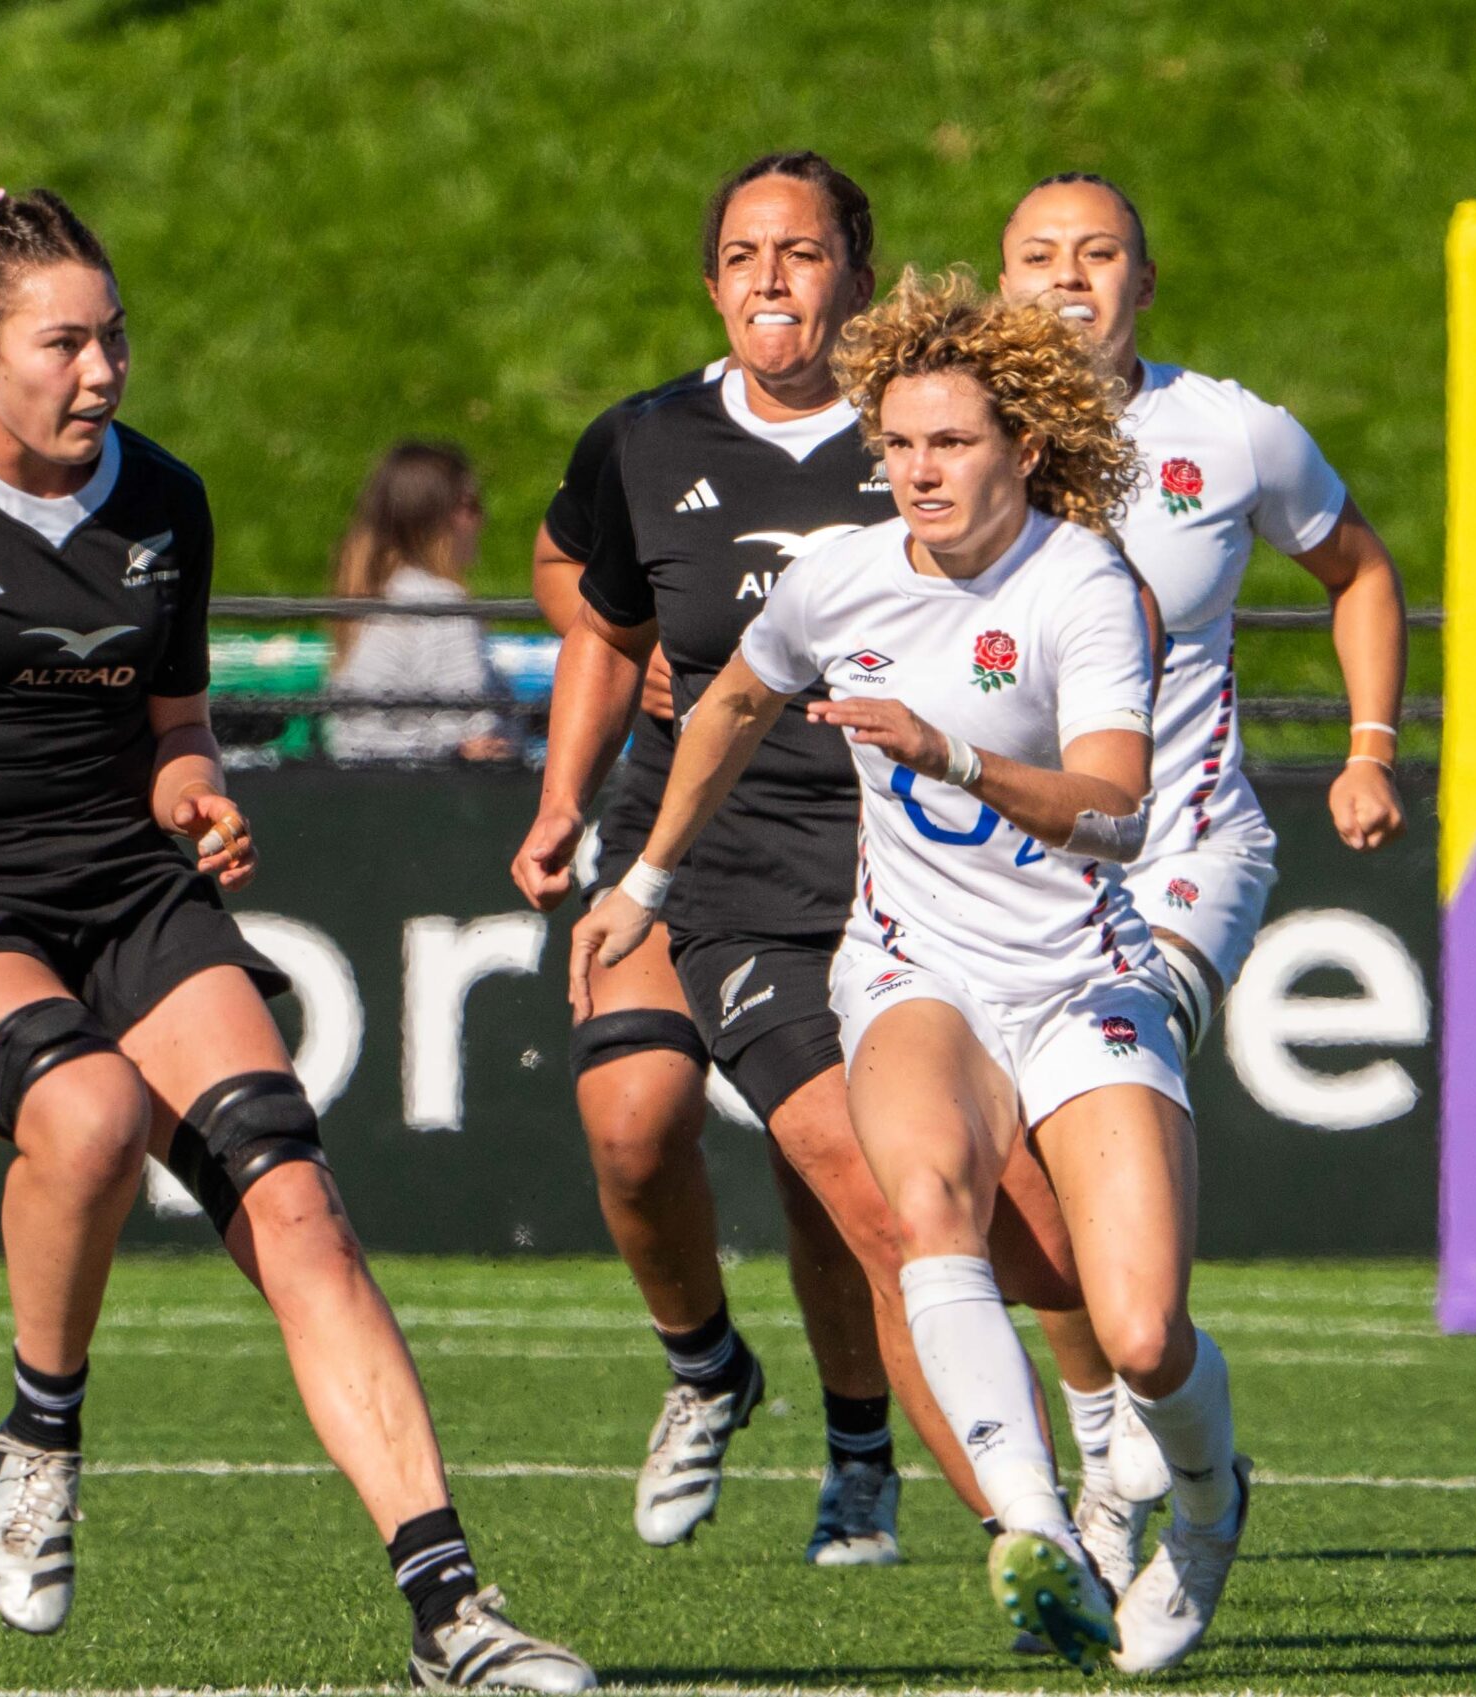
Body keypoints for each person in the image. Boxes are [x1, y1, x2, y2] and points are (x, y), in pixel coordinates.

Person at [0, 187, 592, 1693]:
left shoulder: (163, 498)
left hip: (127, 889)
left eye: (114, 341)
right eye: (64, 345)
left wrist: (200, 794)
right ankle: (39, 1438)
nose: (102, 373)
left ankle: (452, 1613)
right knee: (87, 1112)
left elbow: (176, 725)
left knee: (296, 1199)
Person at [575, 268, 1251, 1675]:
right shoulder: (842, 569)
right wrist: (641, 880)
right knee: (928, 1207)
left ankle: (1205, 1496)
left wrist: (951, 754)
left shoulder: (1083, 582)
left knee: (1136, 1327)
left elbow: (1118, 811)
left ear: (1027, 449)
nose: (917, 469)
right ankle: (1034, 1532)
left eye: (950, 443)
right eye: (898, 441)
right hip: (912, 969)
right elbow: (737, 701)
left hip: (1081, 978)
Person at [513, 153, 1082, 1565]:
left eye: (805, 252)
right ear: (711, 283)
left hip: (895, 860)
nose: (773, 279)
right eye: (746, 254)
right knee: (635, 1122)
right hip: (690, 833)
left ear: (860, 280)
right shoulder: (641, 441)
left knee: (895, 1189)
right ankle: (707, 1367)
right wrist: (563, 797)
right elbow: (587, 598)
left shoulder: (927, 438)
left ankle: (990, 1473)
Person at [994, 172, 1408, 1599]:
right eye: (1038, 255)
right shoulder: (950, 441)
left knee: (1100, 1085)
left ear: (1144, 282)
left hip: (1178, 856)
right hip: (1004, 882)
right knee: (987, 1165)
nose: (1069, 276)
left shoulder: (1231, 434)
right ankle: (1117, 1430)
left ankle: (1151, 1446)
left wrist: (1367, 747)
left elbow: (1357, 571)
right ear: (1002, 285)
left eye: (1098, 253)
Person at [324, 441, 515, 764]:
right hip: (435, 796)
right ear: (434, 517)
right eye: (471, 505)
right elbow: (476, 733)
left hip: (370, 788)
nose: (482, 519)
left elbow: (348, 735)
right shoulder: (442, 605)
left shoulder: (374, 596)